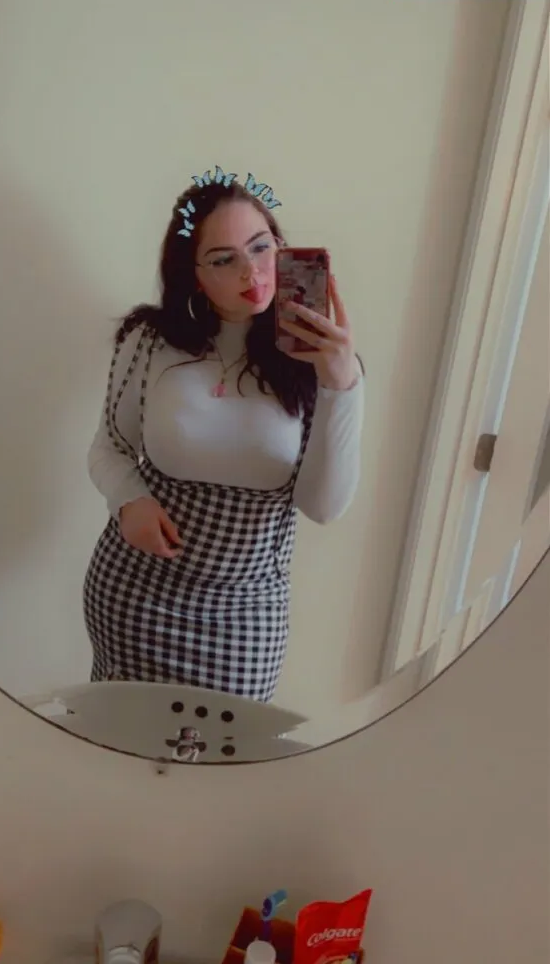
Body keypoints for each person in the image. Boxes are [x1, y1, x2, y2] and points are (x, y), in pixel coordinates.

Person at [83, 171, 365, 703]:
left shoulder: (321, 364)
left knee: (227, 752)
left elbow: (324, 507)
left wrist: (341, 385)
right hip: (133, 592)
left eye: (260, 247)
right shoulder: (149, 342)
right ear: (192, 275)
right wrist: (129, 500)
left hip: (246, 612)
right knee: (115, 738)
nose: (251, 271)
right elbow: (110, 446)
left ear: (280, 246)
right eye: (222, 259)